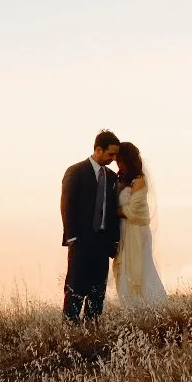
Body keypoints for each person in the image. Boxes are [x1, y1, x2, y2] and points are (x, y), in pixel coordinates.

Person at [60, 130, 122, 319]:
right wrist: (72, 238)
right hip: (80, 242)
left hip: (102, 244)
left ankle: (93, 331)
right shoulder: (76, 171)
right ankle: (70, 331)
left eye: (115, 155)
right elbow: (67, 205)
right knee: (75, 289)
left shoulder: (112, 177)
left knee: (97, 292)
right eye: (110, 154)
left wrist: (114, 241)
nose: (113, 158)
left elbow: (113, 212)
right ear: (98, 149)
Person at [112, 141, 168, 307]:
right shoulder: (119, 179)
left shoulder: (139, 180)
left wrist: (112, 212)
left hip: (137, 230)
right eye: (117, 162)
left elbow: (135, 210)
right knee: (124, 268)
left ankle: (152, 306)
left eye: (121, 162)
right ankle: (130, 308)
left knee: (141, 267)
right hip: (123, 231)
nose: (119, 166)